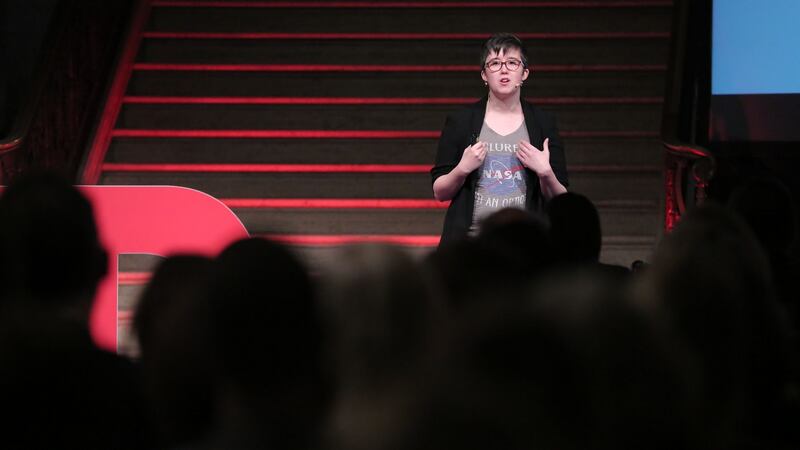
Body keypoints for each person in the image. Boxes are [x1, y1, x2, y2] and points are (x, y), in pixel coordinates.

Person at [431, 33, 569, 245]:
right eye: (494, 63)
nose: (504, 69)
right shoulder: (461, 121)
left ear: (525, 73)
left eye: (512, 63)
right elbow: (440, 192)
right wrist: (462, 168)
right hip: (471, 246)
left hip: (526, 247)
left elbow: (562, 200)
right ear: (484, 75)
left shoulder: (543, 122)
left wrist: (545, 172)